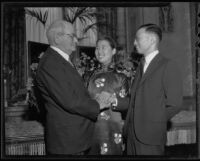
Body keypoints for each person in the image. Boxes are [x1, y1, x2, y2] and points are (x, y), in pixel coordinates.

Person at [34, 20, 111, 155]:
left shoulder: (59, 60)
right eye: (72, 36)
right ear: (58, 38)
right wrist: (97, 104)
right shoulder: (51, 63)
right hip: (68, 143)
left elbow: (73, 93)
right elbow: (70, 100)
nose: (76, 40)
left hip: (75, 139)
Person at [123, 23, 183, 155]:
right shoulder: (140, 67)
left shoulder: (168, 66)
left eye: (137, 38)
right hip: (131, 135)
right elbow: (135, 100)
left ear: (152, 40)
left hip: (150, 137)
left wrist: (153, 123)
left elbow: (175, 104)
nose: (134, 42)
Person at [85, 36, 130, 155]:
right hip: (91, 127)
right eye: (97, 48)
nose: (99, 51)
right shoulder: (88, 75)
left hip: (113, 128)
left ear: (113, 51)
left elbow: (128, 105)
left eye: (103, 47)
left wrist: (112, 99)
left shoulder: (121, 77)